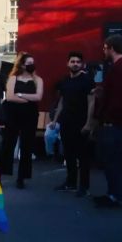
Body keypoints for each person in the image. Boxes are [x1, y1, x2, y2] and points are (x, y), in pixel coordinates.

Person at [94, 34, 122, 208]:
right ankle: (113, 194)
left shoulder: (120, 68)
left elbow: (118, 98)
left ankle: (114, 196)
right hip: (120, 122)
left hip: (115, 123)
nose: (104, 51)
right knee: (114, 161)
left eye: (105, 48)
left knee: (113, 161)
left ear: (111, 48)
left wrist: (106, 117)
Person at [51, 52, 94, 196]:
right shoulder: (64, 81)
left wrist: (88, 124)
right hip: (66, 122)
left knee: (83, 157)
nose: (75, 63)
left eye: (78, 61)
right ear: (68, 63)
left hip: (81, 123)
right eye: (72, 61)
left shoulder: (87, 80)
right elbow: (62, 101)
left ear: (82, 64)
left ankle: (84, 187)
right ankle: (70, 183)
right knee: (68, 154)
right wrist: (55, 120)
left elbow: (91, 102)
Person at [0, 52, 43, 189]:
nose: (31, 65)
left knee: (27, 145)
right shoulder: (13, 78)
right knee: (8, 144)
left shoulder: (37, 80)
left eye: (32, 63)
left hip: (30, 115)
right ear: (22, 64)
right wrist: (29, 99)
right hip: (13, 115)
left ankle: (21, 177)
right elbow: (10, 97)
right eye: (28, 63)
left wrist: (21, 95)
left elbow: (39, 97)